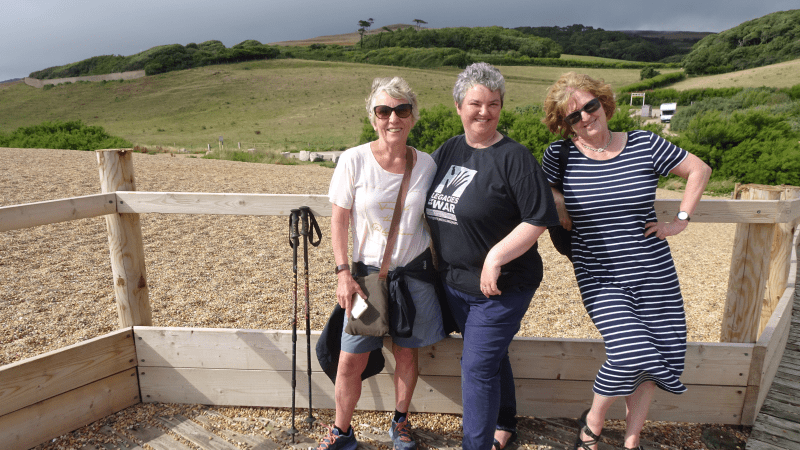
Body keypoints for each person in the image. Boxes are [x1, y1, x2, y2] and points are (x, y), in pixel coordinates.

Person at [540, 72, 712, 450]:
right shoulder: (560, 154)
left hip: (653, 271)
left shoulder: (644, 143)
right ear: (563, 124)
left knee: (656, 353)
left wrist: (680, 220)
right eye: (574, 116)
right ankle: (594, 421)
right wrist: (558, 201)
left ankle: (632, 440)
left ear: (603, 102)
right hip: (598, 274)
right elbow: (544, 190)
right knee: (631, 349)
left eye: (591, 105)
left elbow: (699, 169)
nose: (586, 117)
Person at [424, 62, 559, 450]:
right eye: (476, 103)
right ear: (458, 106)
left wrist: (496, 255)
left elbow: (538, 218)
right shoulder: (449, 149)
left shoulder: (514, 157)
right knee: (491, 356)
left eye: (494, 104)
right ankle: (505, 422)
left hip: (502, 286)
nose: (484, 112)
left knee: (476, 367)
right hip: (456, 283)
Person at [316, 76, 446, 450]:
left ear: (412, 116)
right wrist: (343, 274)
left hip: (415, 275)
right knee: (350, 360)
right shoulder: (353, 160)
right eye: (384, 111)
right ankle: (341, 432)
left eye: (401, 110)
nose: (393, 119)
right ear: (373, 118)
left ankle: (401, 422)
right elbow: (339, 221)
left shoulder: (426, 164)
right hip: (366, 280)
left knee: (406, 353)